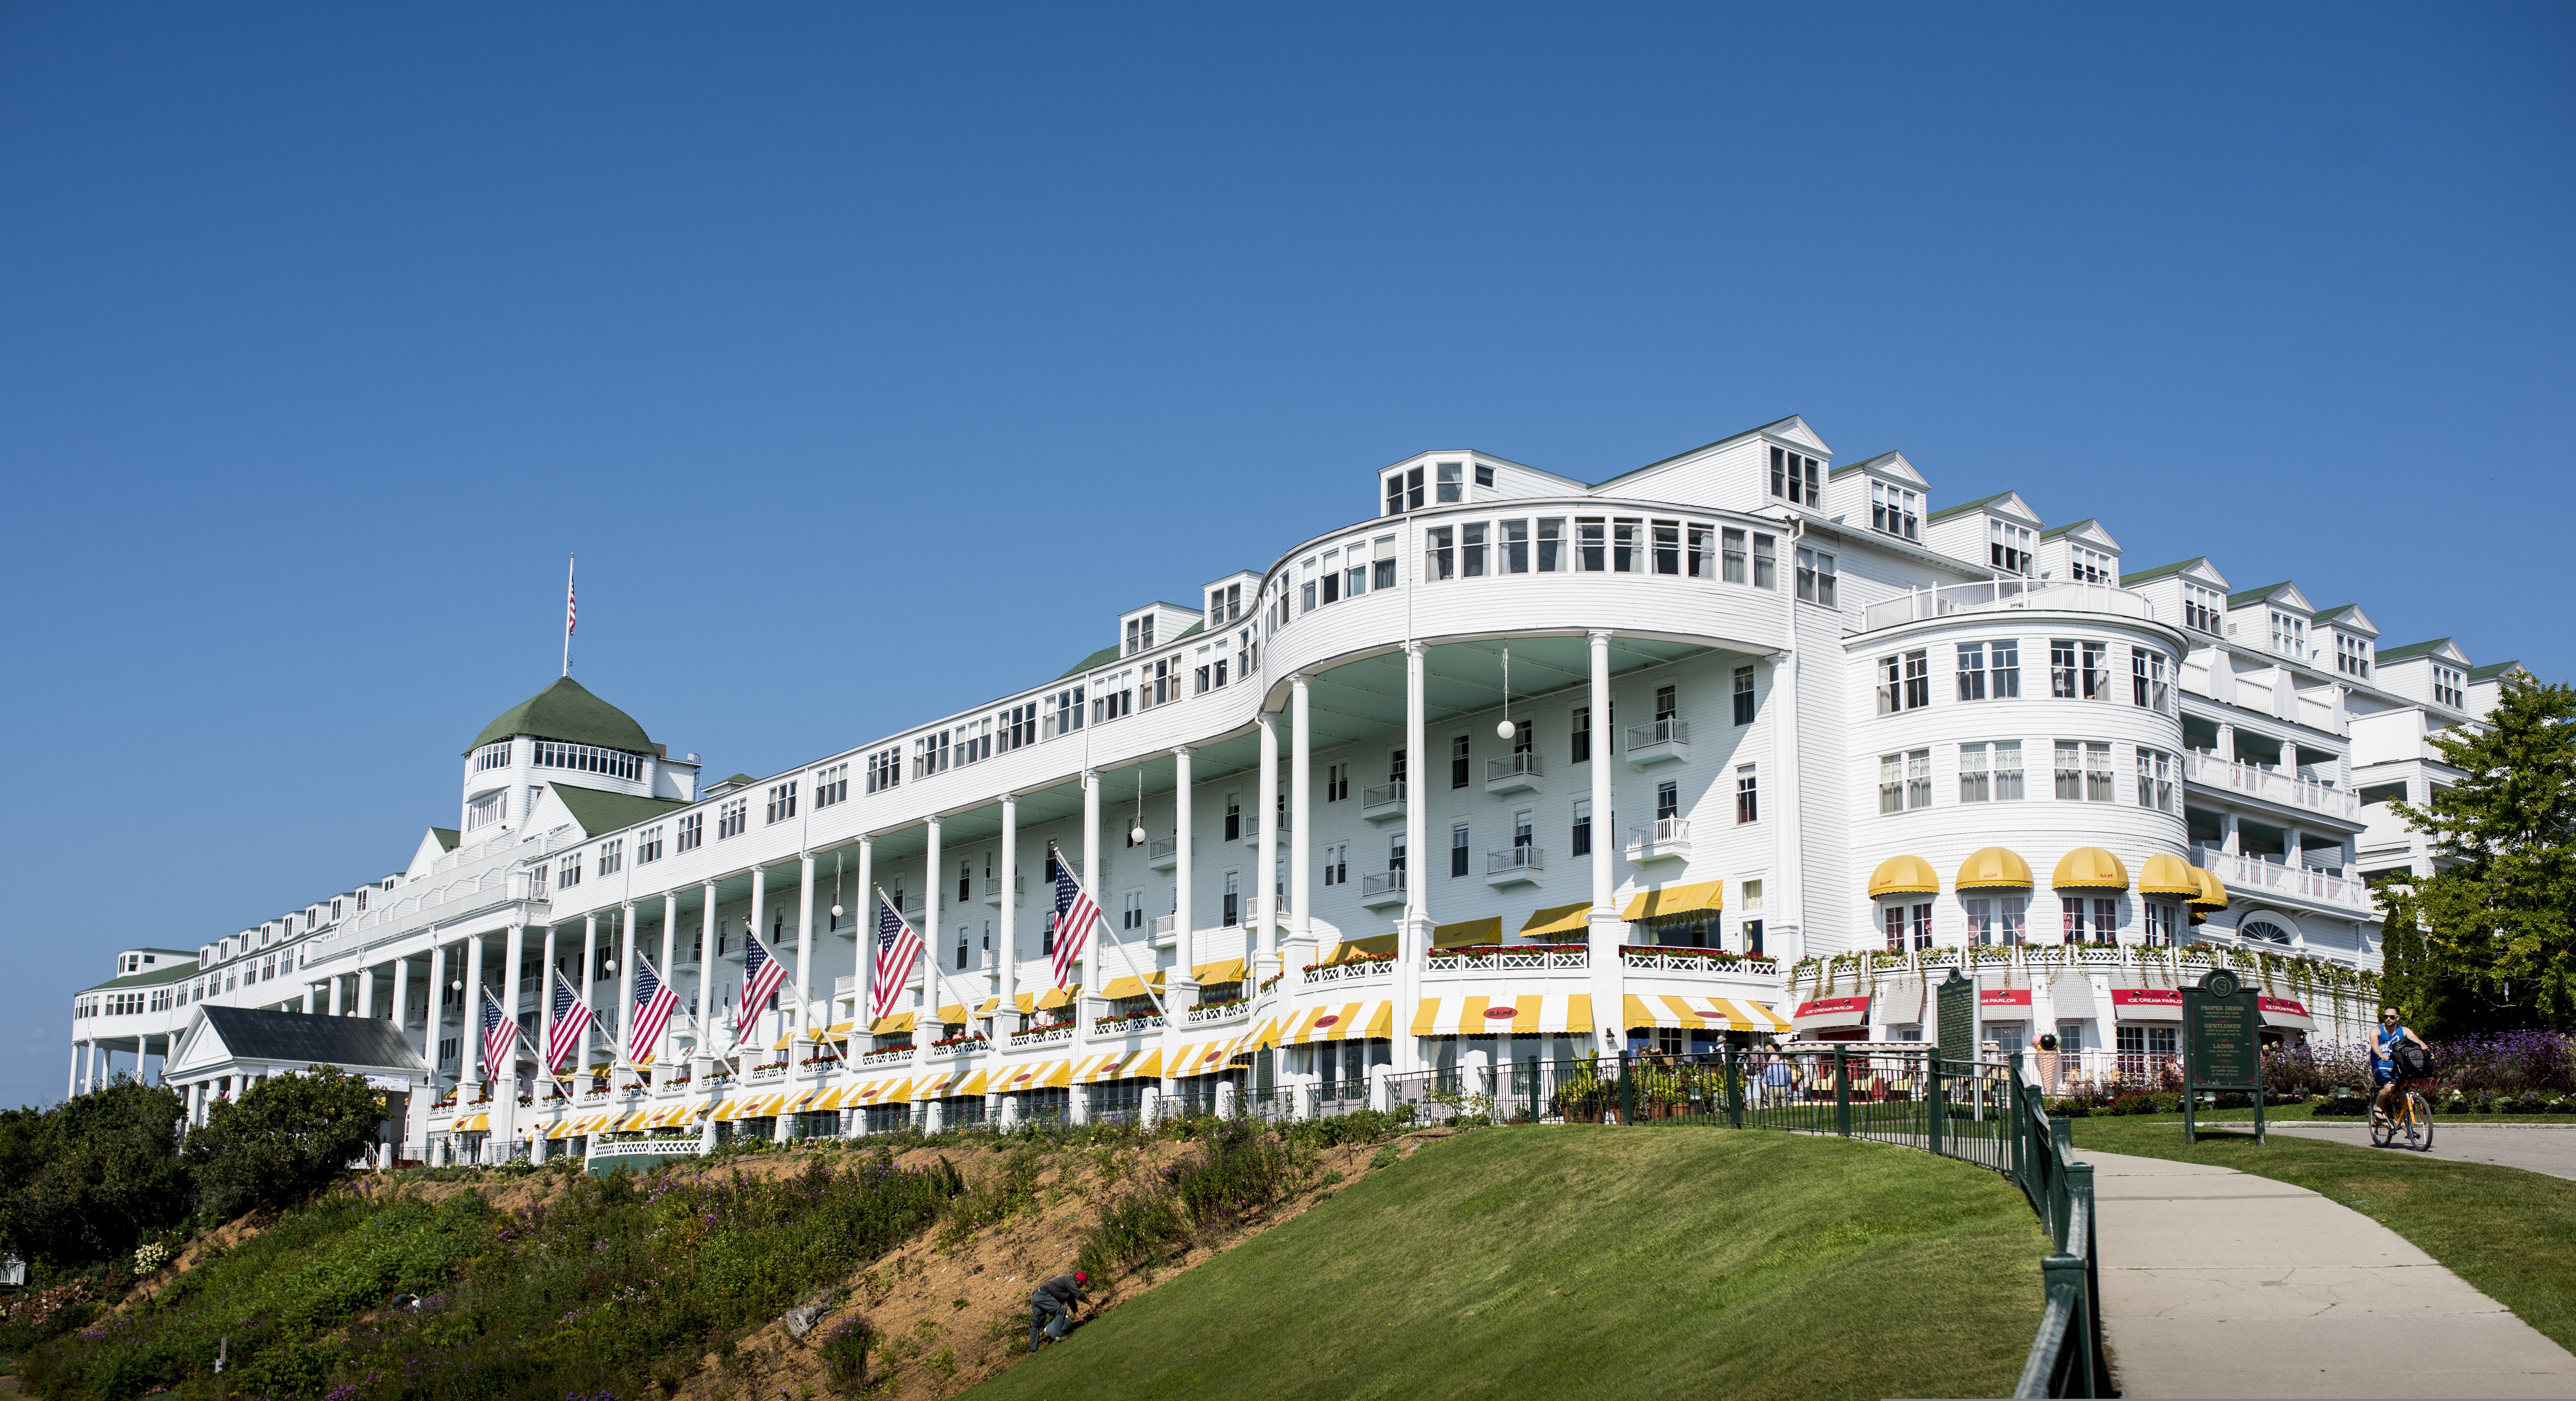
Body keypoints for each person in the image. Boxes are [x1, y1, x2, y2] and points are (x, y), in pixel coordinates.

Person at [2370, 1008, 2429, 1126]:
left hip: (2398, 1067)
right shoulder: (2376, 1030)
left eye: (2392, 1017)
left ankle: (2409, 1128)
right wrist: (2381, 1054)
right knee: (2390, 1087)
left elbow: (2417, 1041)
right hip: (2381, 1066)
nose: (2388, 1019)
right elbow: (2374, 1043)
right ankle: (2377, 1107)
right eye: (2386, 1017)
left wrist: (2428, 1051)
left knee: (2405, 1094)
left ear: (2398, 1018)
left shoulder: (2404, 1031)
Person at [1029, 1270, 1088, 1352]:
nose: (1082, 1287)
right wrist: (1092, 1304)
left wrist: (1080, 1318)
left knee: (1037, 1324)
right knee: (1061, 1311)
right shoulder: (1071, 1281)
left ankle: (1033, 1350)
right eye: (1082, 1284)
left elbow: (1073, 1305)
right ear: (1078, 1281)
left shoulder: (1069, 1287)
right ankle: (1060, 1336)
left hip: (1036, 1296)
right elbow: (1080, 1296)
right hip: (1043, 1295)